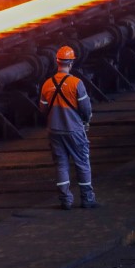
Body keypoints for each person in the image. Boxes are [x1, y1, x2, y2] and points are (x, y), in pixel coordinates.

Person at [39, 46, 97, 210]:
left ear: (57, 62)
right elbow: (86, 109)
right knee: (82, 163)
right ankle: (87, 199)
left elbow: (43, 109)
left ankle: (65, 200)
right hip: (74, 130)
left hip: (54, 131)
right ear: (71, 63)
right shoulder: (76, 84)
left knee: (61, 165)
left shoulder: (46, 84)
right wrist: (85, 121)